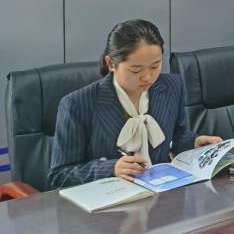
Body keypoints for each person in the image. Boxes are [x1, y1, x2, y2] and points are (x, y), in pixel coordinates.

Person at [48, 19, 221, 189]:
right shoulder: (77, 104)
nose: (148, 77)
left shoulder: (171, 87)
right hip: (112, 198)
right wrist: (111, 168)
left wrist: (195, 142)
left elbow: (176, 136)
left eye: (155, 66)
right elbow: (60, 174)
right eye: (136, 69)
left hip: (163, 192)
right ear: (111, 63)